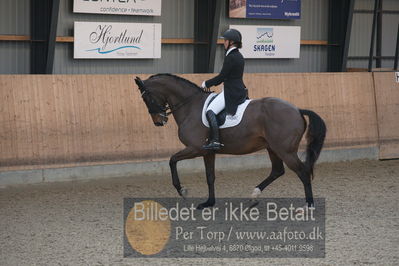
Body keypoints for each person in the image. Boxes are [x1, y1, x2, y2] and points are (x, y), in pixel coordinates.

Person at [201, 28, 247, 151]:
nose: (224, 43)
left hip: (231, 91)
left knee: (210, 111)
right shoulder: (238, 55)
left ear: (231, 42)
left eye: (225, 40)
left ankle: (215, 140)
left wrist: (207, 83)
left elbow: (222, 77)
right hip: (238, 89)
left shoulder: (231, 57)